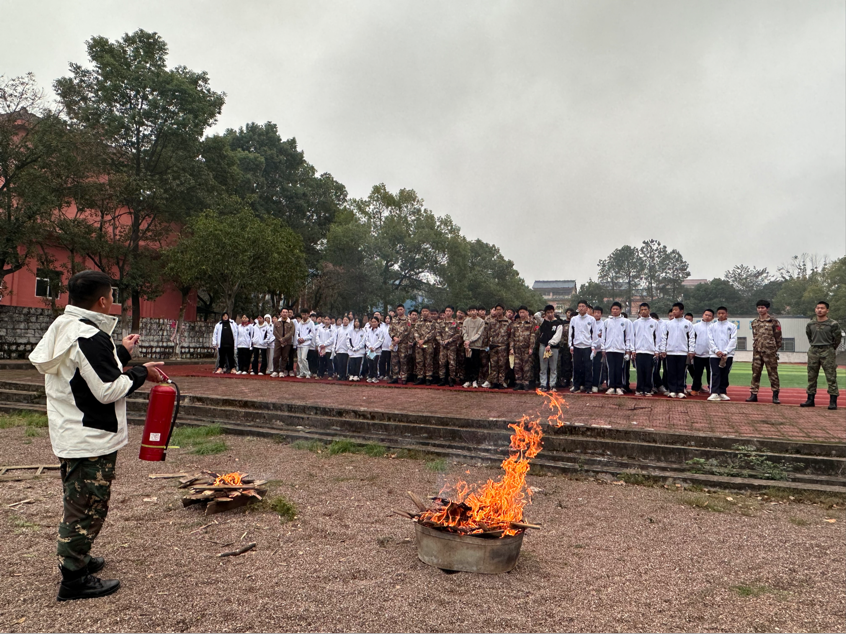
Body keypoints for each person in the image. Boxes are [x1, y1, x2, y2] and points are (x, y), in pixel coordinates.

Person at [29, 270, 165, 601]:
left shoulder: (67, 328)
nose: (113, 303)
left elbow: (86, 371)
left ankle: (80, 557)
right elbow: (106, 389)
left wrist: (120, 353)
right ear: (103, 300)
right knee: (86, 507)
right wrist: (140, 373)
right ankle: (73, 579)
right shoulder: (89, 336)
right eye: (112, 297)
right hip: (89, 436)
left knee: (81, 500)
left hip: (73, 430)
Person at [800, 301, 841, 410]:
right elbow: (810, 337)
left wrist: (831, 349)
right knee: (811, 376)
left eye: (822, 308)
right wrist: (815, 347)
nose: (819, 310)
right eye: (818, 308)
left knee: (831, 376)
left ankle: (833, 401)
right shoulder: (811, 324)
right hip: (814, 350)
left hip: (828, 350)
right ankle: (810, 399)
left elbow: (837, 339)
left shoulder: (833, 324)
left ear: (827, 310)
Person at [746, 299, 783, 404]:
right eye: (758, 308)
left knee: (773, 374)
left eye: (762, 308)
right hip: (757, 351)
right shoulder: (754, 322)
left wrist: (774, 349)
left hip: (770, 352)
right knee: (755, 374)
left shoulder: (774, 322)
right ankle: (753, 394)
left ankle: (775, 395)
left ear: (767, 309)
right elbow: (755, 336)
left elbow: (778, 338)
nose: (760, 310)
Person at [659, 302, 694, 398]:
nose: (674, 312)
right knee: (671, 372)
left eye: (676, 310)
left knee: (681, 372)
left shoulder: (688, 324)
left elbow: (691, 338)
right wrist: (663, 349)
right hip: (670, 351)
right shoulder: (668, 324)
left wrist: (691, 350)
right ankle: (672, 390)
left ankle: (680, 390)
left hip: (683, 352)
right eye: (673, 310)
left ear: (681, 311)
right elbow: (664, 337)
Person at [707, 306, 738, 401]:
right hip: (714, 354)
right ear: (717, 314)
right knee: (715, 373)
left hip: (727, 354)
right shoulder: (712, 326)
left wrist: (725, 352)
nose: (721, 315)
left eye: (723, 313)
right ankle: (714, 392)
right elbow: (710, 339)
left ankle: (722, 392)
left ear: (726, 314)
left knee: (725, 373)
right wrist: (716, 350)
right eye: (719, 313)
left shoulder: (732, 326)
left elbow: (733, 340)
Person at [602, 302, 632, 395]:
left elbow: (629, 336)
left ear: (620, 310)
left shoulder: (626, 322)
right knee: (610, 368)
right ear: (611, 310)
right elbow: (603, 336)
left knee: (620, 368)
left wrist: (628, 349)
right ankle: (611, 386)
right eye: (613, 309)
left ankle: (619, 386)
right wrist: (603, 348)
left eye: (617, 309)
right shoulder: (607, 322)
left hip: (620, 349)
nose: (615, 311)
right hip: (609, 349)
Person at [569, 300, 597, 393]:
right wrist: (571, 345)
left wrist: (593, 346)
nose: (581, 308)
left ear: (586, 308)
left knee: (588, 367)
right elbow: (571, 333)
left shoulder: (591, 319)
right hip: (577, 346)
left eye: (583, 306)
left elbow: (594, 334)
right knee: (577, 367)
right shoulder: (574, 319)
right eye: (579, 306)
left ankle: (588, 387)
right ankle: (576, 386)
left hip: (587, 346)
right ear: (577, 308)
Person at [633, 303, 660, 396]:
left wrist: (656, 351)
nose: (643, 311)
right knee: (639, 371)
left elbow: (658, 338)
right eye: (642, 310)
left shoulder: (654, 323)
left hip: (650, 351)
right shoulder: (636, 323)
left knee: (649, 371)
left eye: (645, 309)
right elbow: (633, 337)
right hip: (639, 350)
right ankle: (639, 389)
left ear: (649, 310)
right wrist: (633, 350)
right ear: (639, 311)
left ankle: (648, 389)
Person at [536, 304, 564, 391]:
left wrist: (550, 344)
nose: (550, 314)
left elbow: (557, 336)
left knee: (553, 367)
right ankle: (543, 384)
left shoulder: (558, 323)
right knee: (543, 366)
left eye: (551, 312)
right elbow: (536, 315)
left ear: (554, 312)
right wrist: (542, 313)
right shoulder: (543, 322)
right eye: (548, 312)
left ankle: (552, 384)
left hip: (553, 347)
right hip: (543, 346)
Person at [509, 306, 536, 391]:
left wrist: (531, 347)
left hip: (526, 348)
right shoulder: (515, 324)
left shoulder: (531, 323)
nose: (522, 314)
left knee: (526, 366)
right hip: (517, 348)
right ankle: (518, 382)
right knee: (517, 366)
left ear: (527, 312)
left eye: (523, 312)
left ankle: (526, 383)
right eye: (520, 312)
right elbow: (512, 337)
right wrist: (511, 348)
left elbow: (533, 336)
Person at [487, 304, 512, 389]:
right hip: (493, 346)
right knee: (493, 365)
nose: (498, 311)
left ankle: (501, 382)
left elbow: (510, 335)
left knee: (502, 365)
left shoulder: (508, 322)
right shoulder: (492, 322)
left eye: (500, 309)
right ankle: (494, 382)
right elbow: (488, 333)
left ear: (503, 310)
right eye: (496, 309)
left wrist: (510, 347)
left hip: (503, 346)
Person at [690, 309, 714, 395]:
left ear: (712, 317)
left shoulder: (714, 326)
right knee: (697, 373)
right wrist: (692, 350)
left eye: (709, 315)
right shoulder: (695, 326)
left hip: (711, 354)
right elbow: (692, 339)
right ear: (702, 315)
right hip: (698, 354)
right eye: (706, 315)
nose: (707, 317)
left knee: (710, 374)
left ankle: (712, 389)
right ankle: (695, 389)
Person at [436, 306, 461, 386]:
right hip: (443, 346)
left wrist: (449, 340)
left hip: (451, 346)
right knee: (442, 362)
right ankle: (442, 379)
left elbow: (458, 334)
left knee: (452, 363)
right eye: (446, 311)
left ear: (453, 312)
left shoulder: (455, 323)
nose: (447, 312)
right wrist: (441, 341)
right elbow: (437, 333)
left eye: (449, 311)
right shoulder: (440, 323)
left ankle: (451, 379)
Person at [462, 306, 486, 388]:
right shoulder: (466, 321)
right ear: (469, 312)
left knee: (475, 363)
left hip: (476, 345)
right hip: (467, 346)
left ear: (477, 311)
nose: (473, 312)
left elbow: (479, 334)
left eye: (474, 310)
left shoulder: (481, 321)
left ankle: (475, 380)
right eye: (471, 310)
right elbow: (464, 331)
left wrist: (470, 340)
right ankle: (468, 380)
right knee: (467, 363)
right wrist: (466, 340)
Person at [412, 308, 436, 385]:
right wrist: (418, 340)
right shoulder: (418, 322)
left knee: (428, 360)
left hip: (428, 344)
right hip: (419, 344)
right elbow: (415, 331)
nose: (425, 313)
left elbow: (433, 333)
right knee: (419, 361)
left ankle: (428, 377)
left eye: (426, 311)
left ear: (429, 312)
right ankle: (420, 377)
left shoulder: (432, 322)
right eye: (423, 311)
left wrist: (424, 340)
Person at [389, 304, 412, 384]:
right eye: (398, 309)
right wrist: (394, 337)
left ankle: (404, 377)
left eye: (401, 309)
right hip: (394, 343)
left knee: (403, 361)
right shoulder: (394, 320)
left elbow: (408, 331)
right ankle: (395, 377)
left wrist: (399, 339)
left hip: (403, 344)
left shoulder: (407, 320)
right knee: (394, 361)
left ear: (404, 310)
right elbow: (390, 330)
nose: (400, 311)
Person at [271, 309, 296, 378]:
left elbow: (291, 332)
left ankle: (282, 371)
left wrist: (284, 339)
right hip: (278, 342)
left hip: (287, 342)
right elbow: (274, 332)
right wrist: (280, 339)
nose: (285, 314)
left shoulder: (291, 323)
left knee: (284, 357)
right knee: (276, 356)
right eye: (283, 312)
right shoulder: (276, 322)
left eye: (286, 312)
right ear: (281, 313)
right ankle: (275, 371)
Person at [590, 306, 607, 392]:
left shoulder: (603, 324)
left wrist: (602, 348)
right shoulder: (590, 322)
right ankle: (589, 383)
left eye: (598, 312)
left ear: (601, 314)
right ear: (593, 313)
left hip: (599, 349)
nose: (596, 314)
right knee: (589, 367)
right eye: (595, 312)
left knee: (598, 367)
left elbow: (604, 337)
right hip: (590, 348)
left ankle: (597, 384)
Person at [296, 310, 314, 378]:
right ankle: (302, 372)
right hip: (299, 343)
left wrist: (304, 339)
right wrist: (298, 338)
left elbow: (312, 334)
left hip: (306, 343)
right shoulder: (300, 323)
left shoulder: (311, 323)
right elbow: (297, 333)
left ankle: (307, 372)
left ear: (308, 315)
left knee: (304, 358)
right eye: (303, 314)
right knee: (299, 359)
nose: (304, 316)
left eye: (305, 314)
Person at [558, 308, 573, 389]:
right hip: (564, 346)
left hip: (573, 346)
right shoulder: (562, 323)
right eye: (568, 312)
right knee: (565, 363)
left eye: (571, 313)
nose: (569, 314)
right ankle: (565, 380)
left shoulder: (574, 323)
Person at [333, 315, 352, 380]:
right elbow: (335, 339)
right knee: (339, 363)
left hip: (346, 349)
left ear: (349, 321)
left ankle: (345, 375)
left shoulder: (350, 330)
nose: (345, 321)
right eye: (344, 320)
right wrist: (335, 347)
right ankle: (340, 374)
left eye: (346, 320)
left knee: (345, 363)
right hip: (339, 348)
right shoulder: (338, 330)